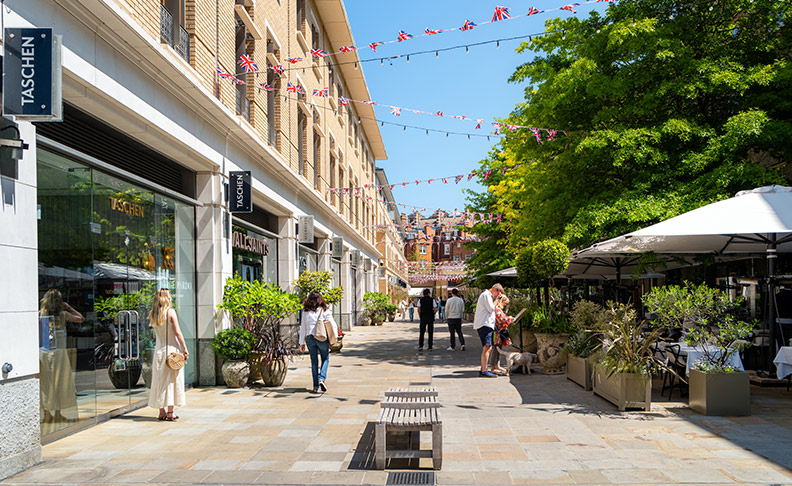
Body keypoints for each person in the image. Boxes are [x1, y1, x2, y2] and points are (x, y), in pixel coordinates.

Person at [39, 290, 82, 425]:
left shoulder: (41, 315)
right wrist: (68, 307)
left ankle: (47, 413)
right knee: (60, 383)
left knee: (46, 384)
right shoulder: (64, 315)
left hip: (44, 353)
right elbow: (81, 318)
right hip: (59, 354)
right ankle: (58, 413)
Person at [148, 288, 188, 421]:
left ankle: (161, 411)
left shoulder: (153, 314)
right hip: (171, 351)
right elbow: (177, 333)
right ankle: (171, 412)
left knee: (159, 381)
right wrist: (184, 348)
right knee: (171, 380)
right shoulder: (170, 312)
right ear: (167, 298)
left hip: (159, 352)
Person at [299, 291, 338, 393]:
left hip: (310, 338)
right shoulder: (324, 310)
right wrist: (336, 336)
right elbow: (332, 324)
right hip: (322, 337)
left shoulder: (305, 312)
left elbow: (303, 327)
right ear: (320, 299)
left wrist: (301, 342)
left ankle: (315, 386)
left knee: (314, 362)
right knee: (325, 358)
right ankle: (321, 378)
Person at [473, 284, 503, 377]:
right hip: (484, 324)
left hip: (486, 324)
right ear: (494, 289)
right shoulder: (486, 295)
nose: (497, 295)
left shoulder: (487, 296)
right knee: (487, 347)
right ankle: (484, 370)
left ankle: (484, 369)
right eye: (498, 293)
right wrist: (497, 300)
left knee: (488, 347)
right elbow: (490, 309)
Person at [489, 294, 514, 374]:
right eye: (505, 303)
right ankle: (493, 366)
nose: (505, 305)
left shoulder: (498, 309)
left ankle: (496, 364)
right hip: (497, 332)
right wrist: (509, 318)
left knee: (498, 348)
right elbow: (501, 320)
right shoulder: (497, 309)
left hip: (499, 331)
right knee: (495, 349)